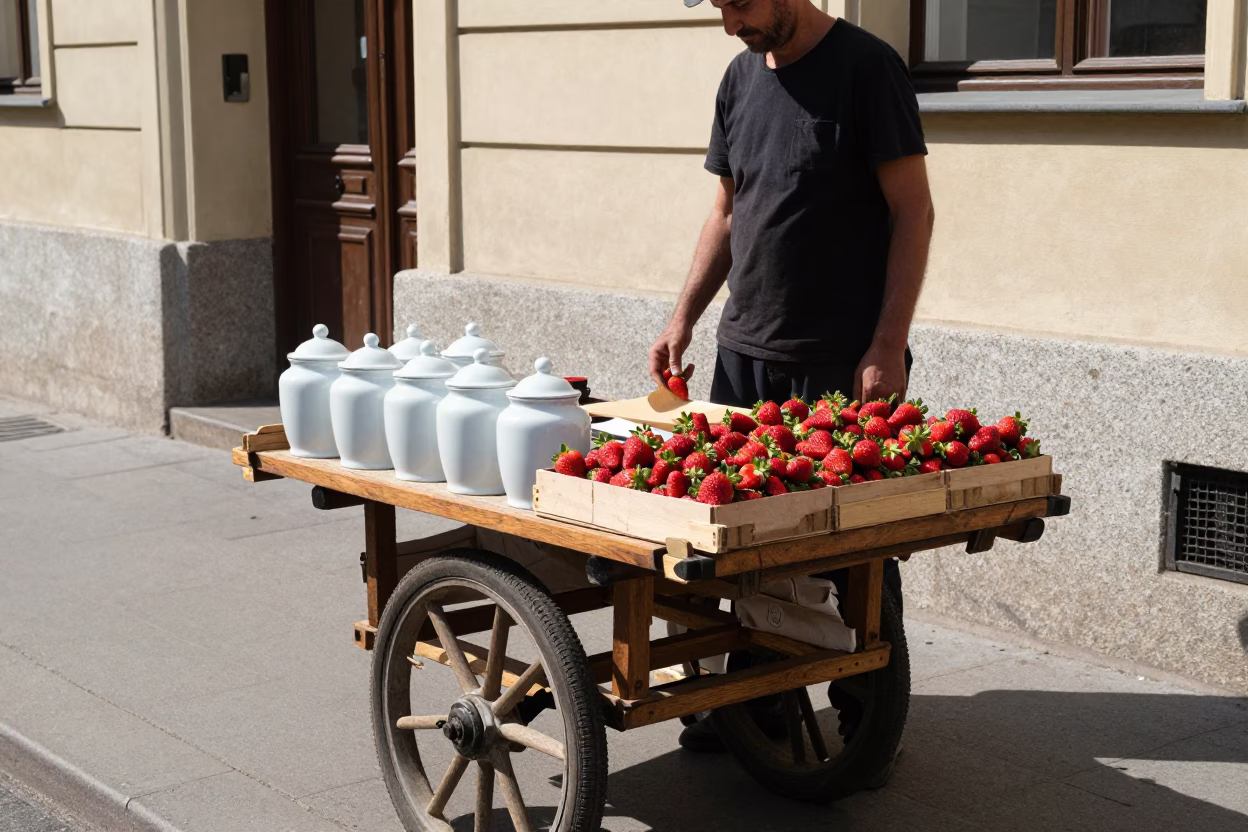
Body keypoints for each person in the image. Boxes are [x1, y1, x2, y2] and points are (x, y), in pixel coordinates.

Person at [648, 0, 935, 757]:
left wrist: (888, 343)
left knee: (853, 552)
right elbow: (726, 211)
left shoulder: (867, 69)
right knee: (739, 547)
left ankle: (867, 722)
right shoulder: (739, 79)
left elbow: (914, 212)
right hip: (744, 353)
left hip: (842, 361)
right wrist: (683, 319)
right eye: (718, 6)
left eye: (738, 3)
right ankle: (753, 708)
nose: (729, 22)